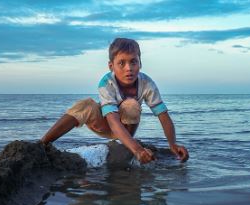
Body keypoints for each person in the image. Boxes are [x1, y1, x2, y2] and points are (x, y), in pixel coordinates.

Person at [41, 38, 189, 164]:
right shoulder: (106, 83)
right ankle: (42, 144)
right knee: (85, 104)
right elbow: (112, 121)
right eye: (121, 63)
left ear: (140, 63)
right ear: (111, 66)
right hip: (105, 124)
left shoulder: (147, 83)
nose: (128, 68)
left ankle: (125, 144)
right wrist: (137, 149)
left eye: (133, 62)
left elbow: (163, 115)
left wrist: (172, 144)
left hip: (127, 127)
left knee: (130, 104)